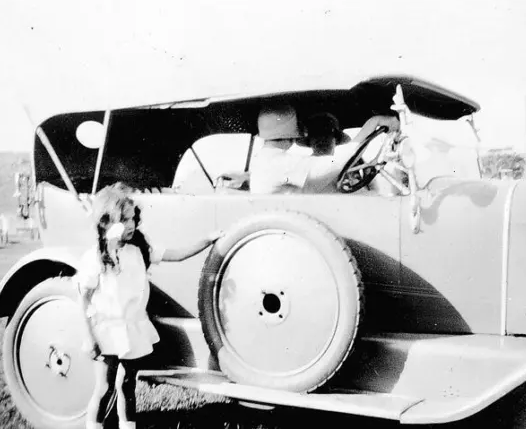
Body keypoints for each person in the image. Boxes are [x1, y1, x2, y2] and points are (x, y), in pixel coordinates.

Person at [74, 183, 223, 429]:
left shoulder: (139, 250)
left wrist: (207, 240)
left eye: (133, 218)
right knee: (104, 387)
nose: (131, 224)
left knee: (127, 383)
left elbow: (177, 254)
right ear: (105, 223)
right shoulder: (95, 259)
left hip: (131, 329)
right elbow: (83, 297)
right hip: (105, 330)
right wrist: (89, 336)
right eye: (124, 219)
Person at [249, 104, 400, 194]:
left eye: (327, 135)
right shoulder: (280, 163)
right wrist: (374, 122)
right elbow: (336, 163)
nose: (322, 140)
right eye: (318, 136)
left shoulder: (266, 159)